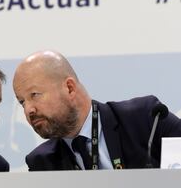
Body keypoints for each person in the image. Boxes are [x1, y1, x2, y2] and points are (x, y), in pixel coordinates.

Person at [13, 50, 181, 170]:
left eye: (34, 95)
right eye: (22, 102)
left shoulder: (147, 119)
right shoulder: (42, 163)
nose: (28, 110)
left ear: (69, 88)